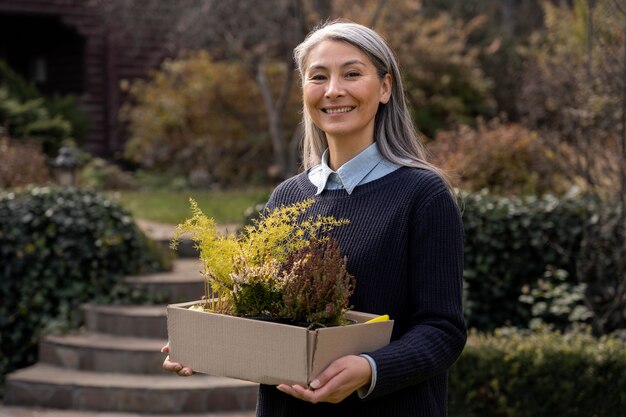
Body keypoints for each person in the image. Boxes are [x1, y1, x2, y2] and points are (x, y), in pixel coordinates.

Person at [162, 20, 466, 417]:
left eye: (352, 74)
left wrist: (371, 369)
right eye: (318, 77)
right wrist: (207, 340)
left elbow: (443, 330)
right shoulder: (287, 197)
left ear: (386, 87)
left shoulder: (422, 196)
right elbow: (261, 311)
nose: (333, 90)